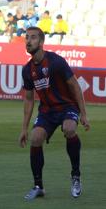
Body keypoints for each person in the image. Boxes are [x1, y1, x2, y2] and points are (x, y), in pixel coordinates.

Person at [19, 27, 90, 200]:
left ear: (41, 42)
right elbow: (29, 99)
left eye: (33, 38)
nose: (28, 41)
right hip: (47, 110)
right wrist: (24, 128)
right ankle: (38, 186)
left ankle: (75, 176)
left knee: (69, 128)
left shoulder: (56, 61)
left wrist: (83, 114)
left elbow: (74, 86)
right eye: (26, 37)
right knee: (35, 138)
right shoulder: (27, 70)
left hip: (67, 106)